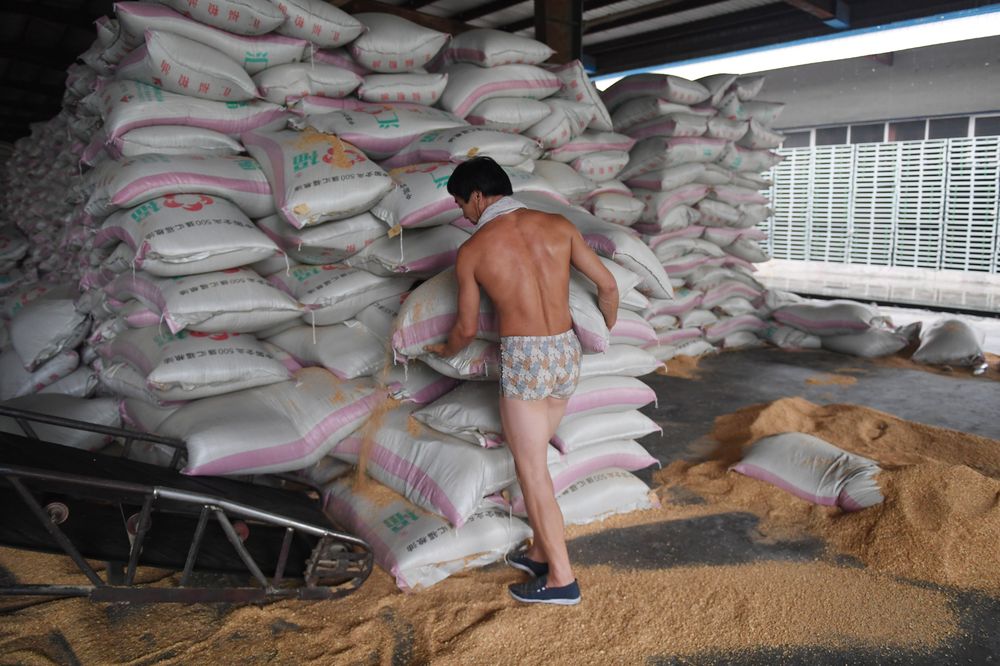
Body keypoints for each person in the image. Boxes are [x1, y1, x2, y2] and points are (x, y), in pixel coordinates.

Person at [424, 157, 619, 605]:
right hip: (565, 352)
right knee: (536, 460)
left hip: (526, 357)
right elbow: (608, 287)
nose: (462, 215)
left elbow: (467, 330)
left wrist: (442, 352)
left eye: (461, 204)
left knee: (532, 473)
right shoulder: (558, 225)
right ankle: (538, 551)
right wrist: (601, 333)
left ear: (476, 196)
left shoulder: (474, 249)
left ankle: (562, 580)